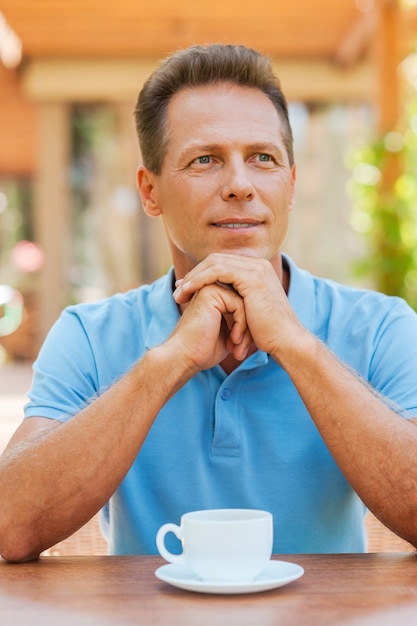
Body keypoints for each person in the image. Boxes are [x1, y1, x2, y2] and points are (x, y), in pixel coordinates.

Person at [1, 44, 417, 563]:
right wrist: (170, 361)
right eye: (205, 160)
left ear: (289, 184)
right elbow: (10, 526)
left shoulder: (382, 327)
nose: (241, 185)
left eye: (263, 158)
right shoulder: (88, 334)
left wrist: (294, 344)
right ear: (149, 191)